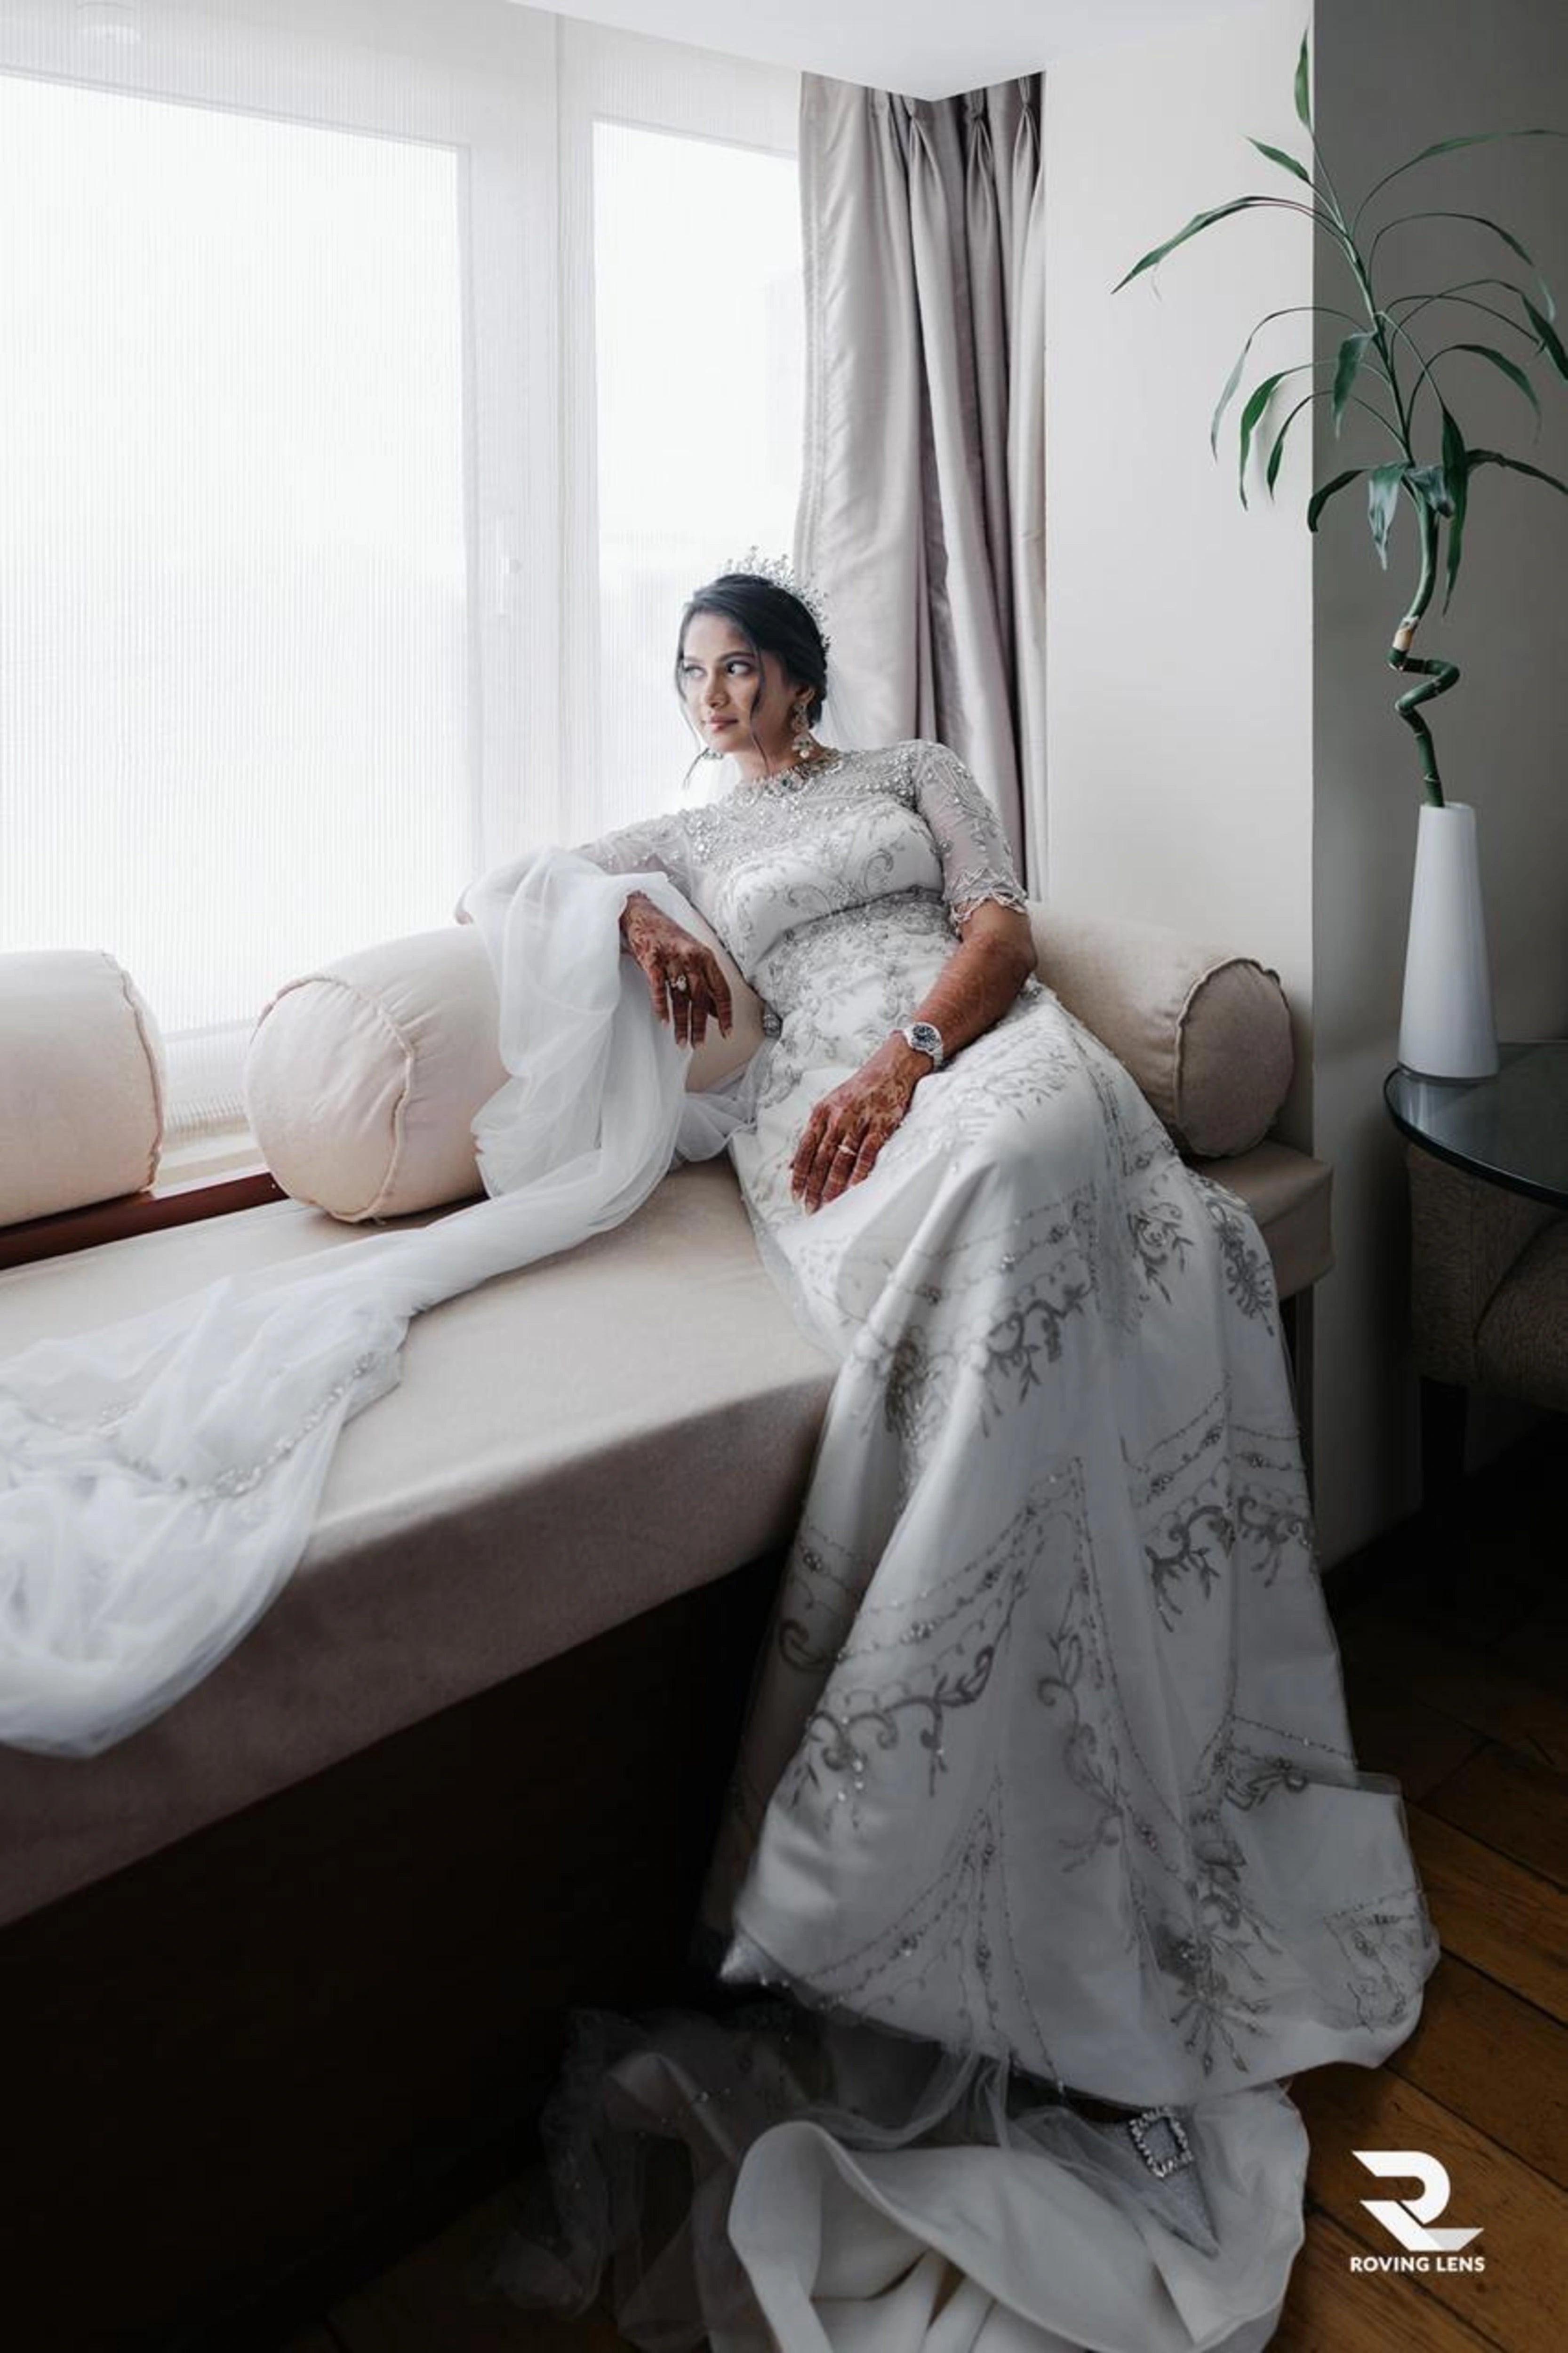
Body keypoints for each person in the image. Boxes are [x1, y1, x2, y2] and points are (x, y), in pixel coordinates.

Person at [488, 566, 1440, 2353]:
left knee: (1031, 1156)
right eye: (690, 674)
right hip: (815, 1111)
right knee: (990, 1212)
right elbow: (520, 878)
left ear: (801, 677)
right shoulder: (683, 839)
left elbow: (999, 928)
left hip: (971, 1051)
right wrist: (638, 921)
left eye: (741, 667)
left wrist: (914, 1055)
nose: (713, 696)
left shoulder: (916, 768)